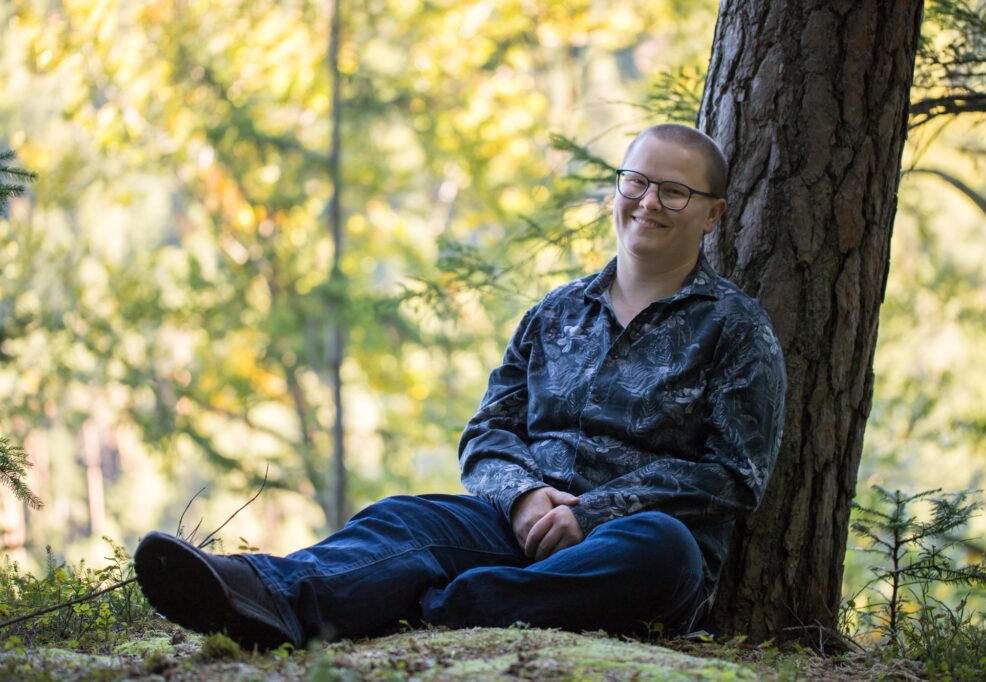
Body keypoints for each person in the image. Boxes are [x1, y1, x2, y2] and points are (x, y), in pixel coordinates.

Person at [134, 123, 786, 650]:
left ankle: (442, 607)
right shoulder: (553, 314)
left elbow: (733, 475)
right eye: (636, 181)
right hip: (518, 533)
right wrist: (527, 497)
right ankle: (263, 592)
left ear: (713, 215)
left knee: (664, 550)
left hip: (625, 552)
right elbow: (488, 433)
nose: (647, 202)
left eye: (674, 192)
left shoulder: (735, 329)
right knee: (405, 516)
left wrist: (591, 515)